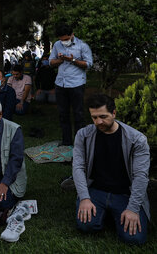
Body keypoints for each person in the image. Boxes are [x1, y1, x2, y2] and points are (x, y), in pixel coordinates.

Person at [73, 94, 149, 245]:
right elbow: (78, 167)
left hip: (125, 193)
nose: (98, 122)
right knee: (86, 226)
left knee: (134, 239)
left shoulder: (137, 139)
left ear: (114, 113)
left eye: (103, 116)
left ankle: (114, 212)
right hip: (96, 190)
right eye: (94, 117)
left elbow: (141, 176)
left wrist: (133, 209)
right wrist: (84, 198)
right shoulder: (83, 135)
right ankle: (105, 212)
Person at [49, 23, 93, 145]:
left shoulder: (82, 46)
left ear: (72, 34)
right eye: (61, 40)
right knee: (63, 114)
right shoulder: (57, 45)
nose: (64, 42)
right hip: (60, 84)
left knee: (78, 114)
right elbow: (51, 62)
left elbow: (88, 64)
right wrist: (61, 59)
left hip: (76, 84)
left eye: (66, 39)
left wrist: (72, 60)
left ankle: (79, 142)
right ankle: (66, 141)